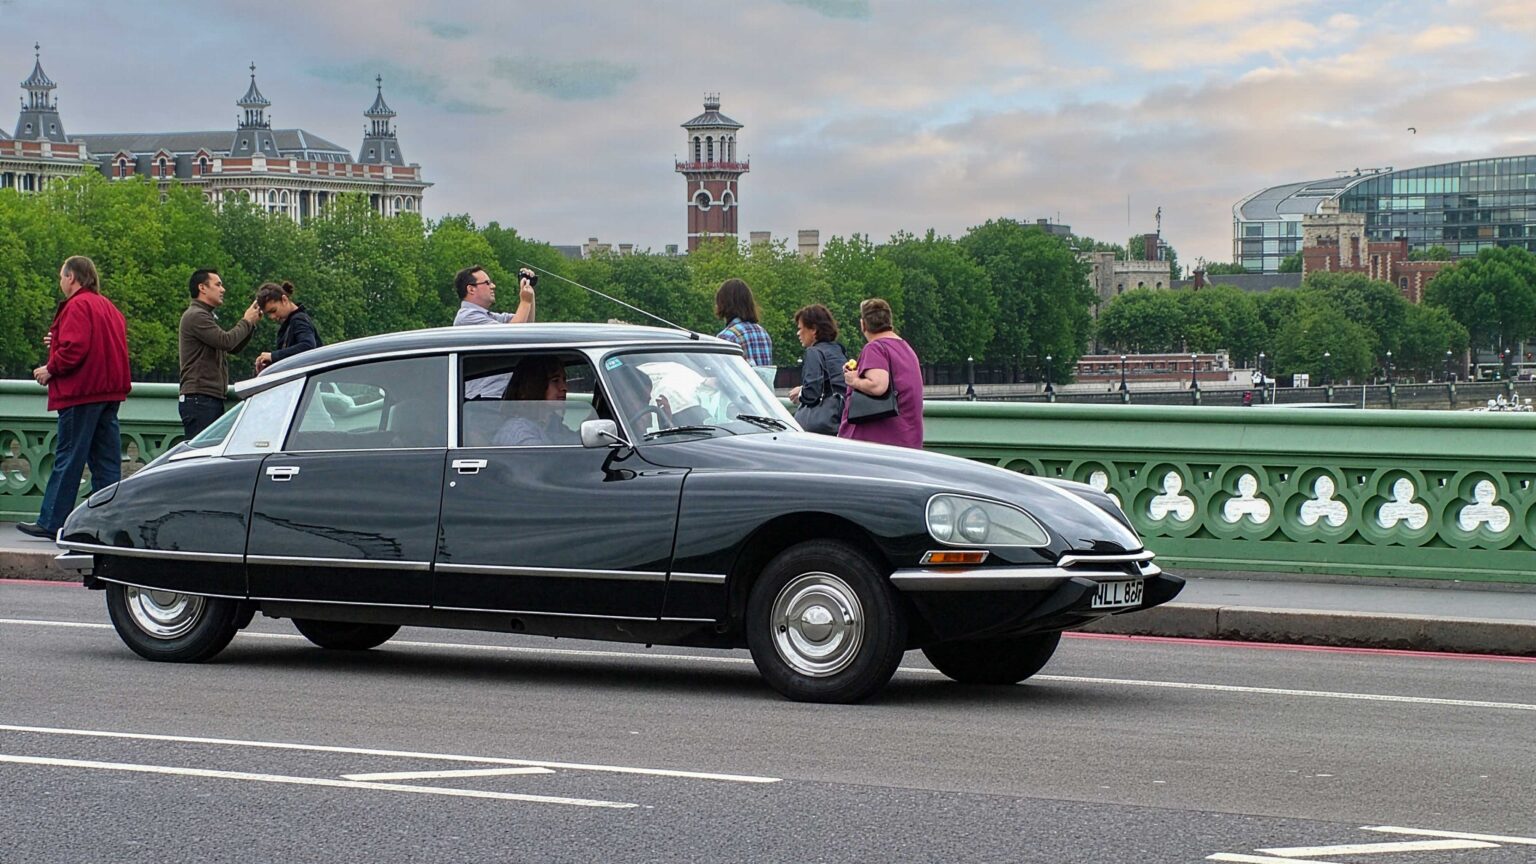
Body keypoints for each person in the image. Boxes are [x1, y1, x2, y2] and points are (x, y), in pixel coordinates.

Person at [17, 257, 131, 539]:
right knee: (107, 464)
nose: (60, 282)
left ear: (71, 278)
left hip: (81, 393)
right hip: (109, 392)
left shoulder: (77, 305)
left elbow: (75, 349)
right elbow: (95, 343)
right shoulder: (108, 307)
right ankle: (110, 522)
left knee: (69, 458)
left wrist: (49, 369)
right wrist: (56, 341)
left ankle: (52, 520)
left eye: (61, 277)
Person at [178, 268, 260, 438]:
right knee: (200, 458)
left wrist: (251, 324)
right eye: (218, 284)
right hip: (200, 399)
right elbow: (227, 342)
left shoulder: (203, 315)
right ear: (202, 288)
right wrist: (246, 321)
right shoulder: (196, 316)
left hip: (205, 398)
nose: (223, 290)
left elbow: (232, 346)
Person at [838, 298, 923, 449]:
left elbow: (878, 386)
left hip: (879, 446)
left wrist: (853, 380)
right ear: (890, 321)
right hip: (907, 440)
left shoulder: (875, 348)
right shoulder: (905, 348)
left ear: (863, 324)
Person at [454, 264, 537, 399]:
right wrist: (525, 302)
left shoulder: (489, 317)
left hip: (496, 399)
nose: (493, 286)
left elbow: (526, 325)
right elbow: (513, 337)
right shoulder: (466, 318)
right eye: (487, 283)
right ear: (471, 289)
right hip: (484, 401)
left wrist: (529, 291)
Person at [787, 304, 847, 435]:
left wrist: (801, 391)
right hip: (841, 420)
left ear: (813, 329)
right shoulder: (838, 350)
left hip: (823, 426)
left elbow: (812, 393)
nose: (798, 333)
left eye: (800, 328)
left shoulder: (814, 352)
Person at [491, 356, 574, 446]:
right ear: (534, 385)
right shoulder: (518, 430)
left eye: (564, 380)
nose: (564, 388)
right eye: (555, 381)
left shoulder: (552, 423)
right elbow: (544, 459)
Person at [714, 278, 774, 385]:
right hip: (762, 398)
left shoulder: (727, 336)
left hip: (738, 400)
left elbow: (723, 380)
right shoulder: (763, 333)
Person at [253, 281, 322, 375]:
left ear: (284, 300)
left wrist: (273, 356)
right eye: (268, 314)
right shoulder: (292, 322)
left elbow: (308, 345)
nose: (272, 317)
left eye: (273, 310)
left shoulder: (299, 319)